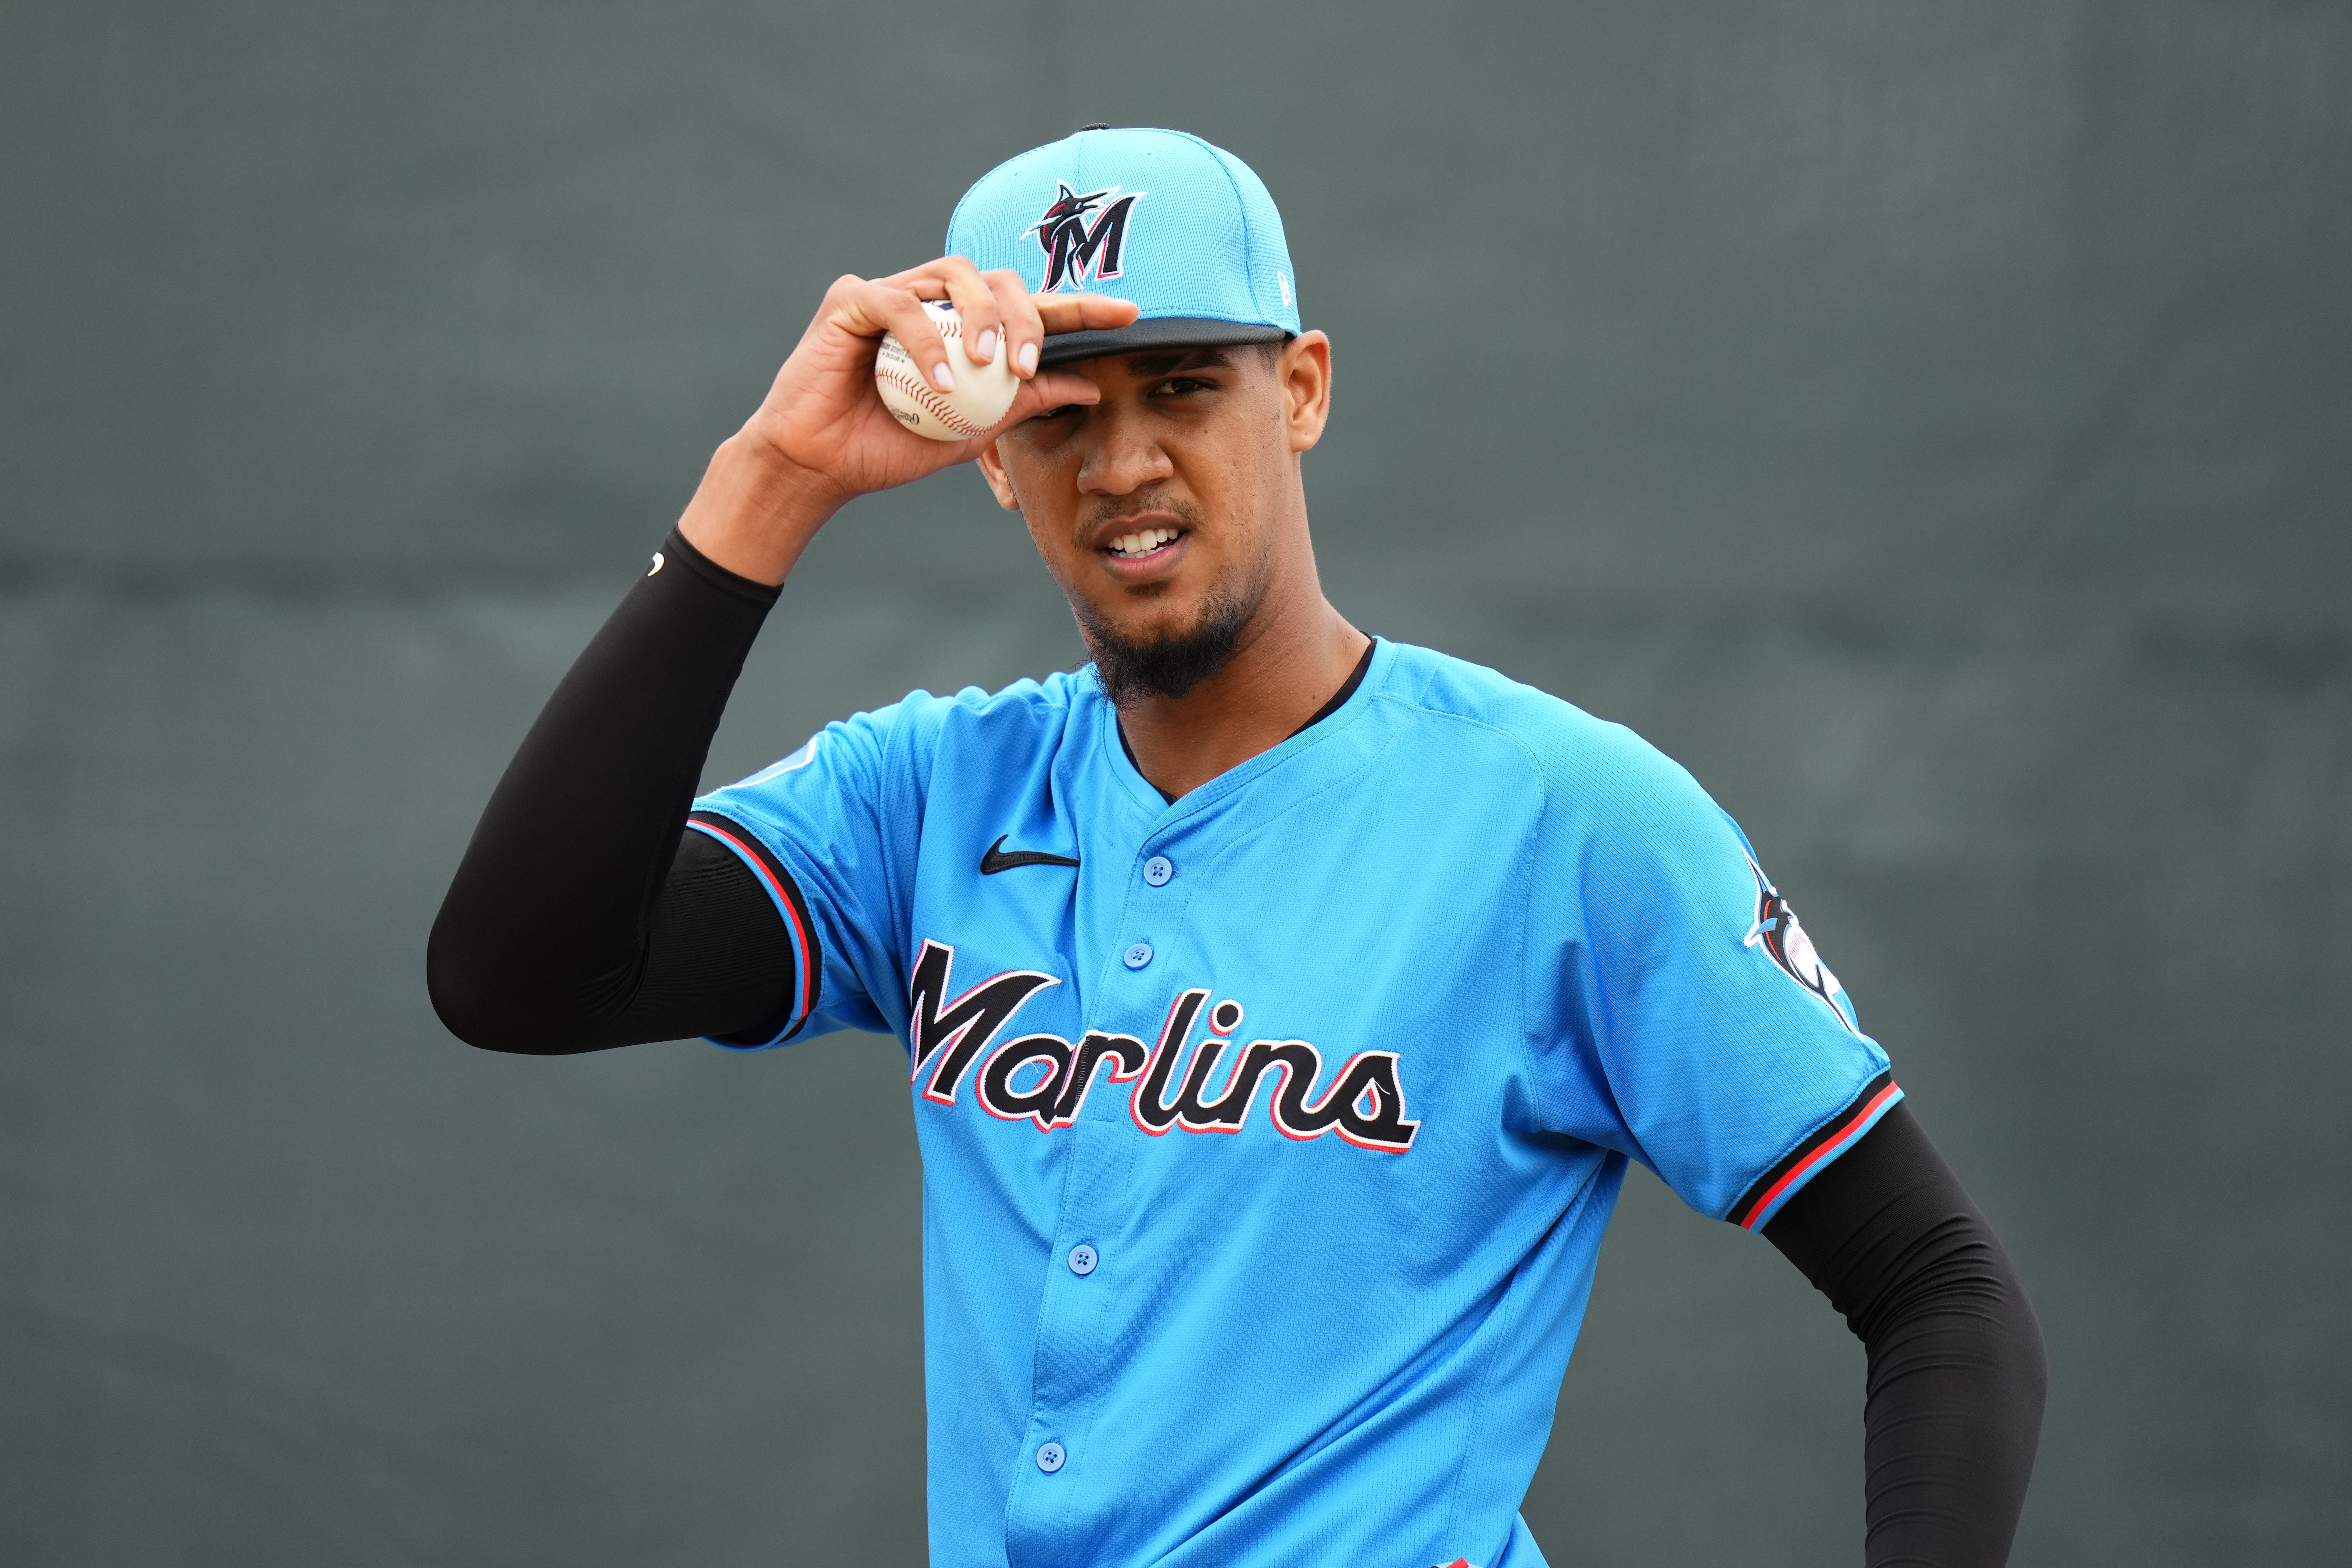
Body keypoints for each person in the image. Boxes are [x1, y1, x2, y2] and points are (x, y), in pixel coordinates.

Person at [428, 126, 2045, 1568]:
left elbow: (1940, 1287)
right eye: (1060, 409)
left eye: (1185, 385)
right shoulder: (925, 792)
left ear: (1303, 388)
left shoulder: (1564, 815)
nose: (1122, 461)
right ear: (987, 452)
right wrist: (769, 483)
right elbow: (519, 971)